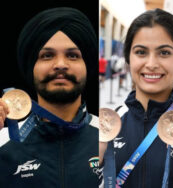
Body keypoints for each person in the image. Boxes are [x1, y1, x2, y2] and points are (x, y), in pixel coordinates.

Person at [99, 8, 173, 188]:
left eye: (164, 53)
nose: (152, 64)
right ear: (128, 58)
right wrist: (95, 163)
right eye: (141, 52)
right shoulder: (107, 125)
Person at [0, 7, 100, 187]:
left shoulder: (113, 139)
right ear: (31, 66)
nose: (61, 64)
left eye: (72, 55)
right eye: (47, 55)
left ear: (87, 65)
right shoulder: (3, 143)